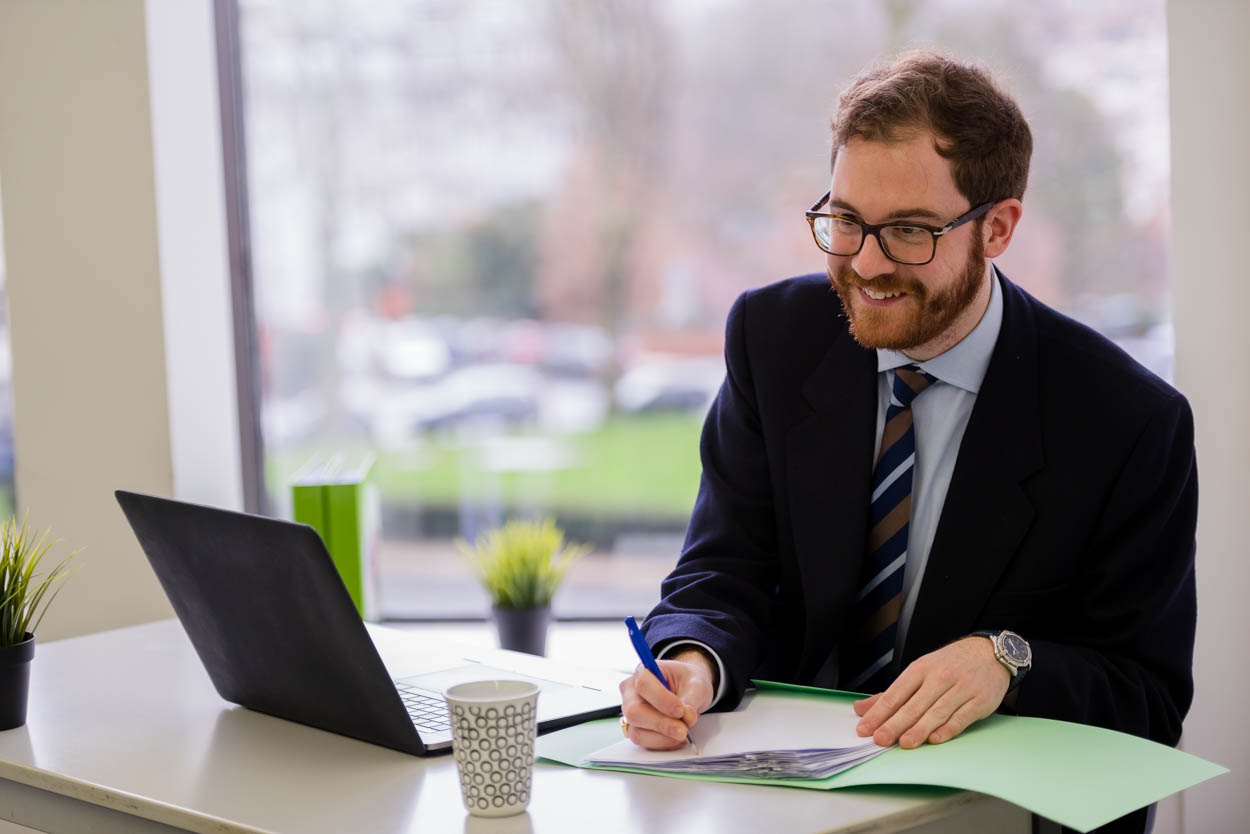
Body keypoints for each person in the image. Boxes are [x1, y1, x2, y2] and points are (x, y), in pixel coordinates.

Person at [618, 51, 1196, 834]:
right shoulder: (774, 339)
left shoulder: (1127, 420)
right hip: (788, 798)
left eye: (909, 232)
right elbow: (725, 570)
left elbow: (1148, 699)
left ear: (998, 227)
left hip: (992, 812)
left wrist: (1008, 661)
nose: (865, 262)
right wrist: (693, 665)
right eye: (847, 220)